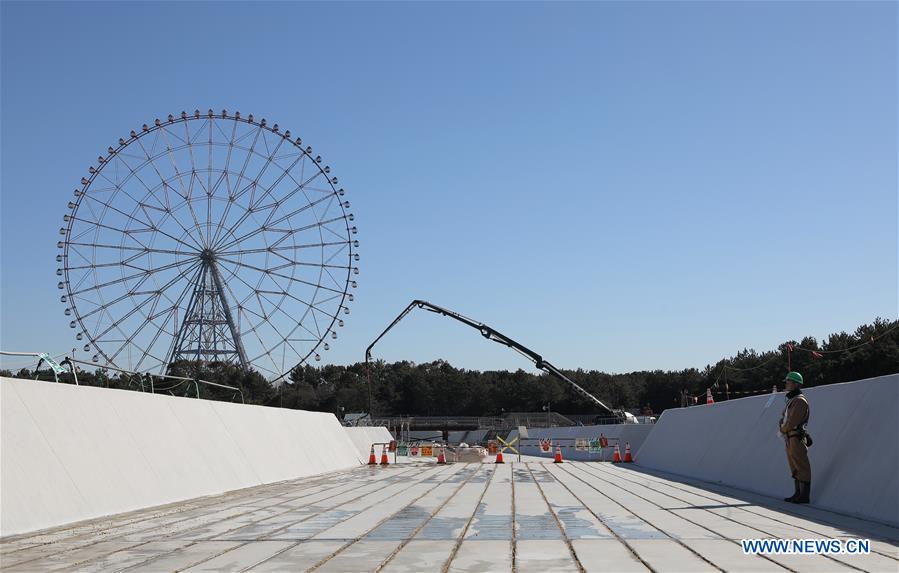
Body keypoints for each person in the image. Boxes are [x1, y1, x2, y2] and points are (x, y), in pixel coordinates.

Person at [780, 371, 811, 503]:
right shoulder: (793, 400)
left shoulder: (799, 401)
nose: (786, 383)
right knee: (794, 466)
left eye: (788, 381)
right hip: (790, 437)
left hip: (796, 437)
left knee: (801, 466)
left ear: (796, 384)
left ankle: (804, 496)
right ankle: (797, 493)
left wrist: (783, 428)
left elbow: (792, 421)